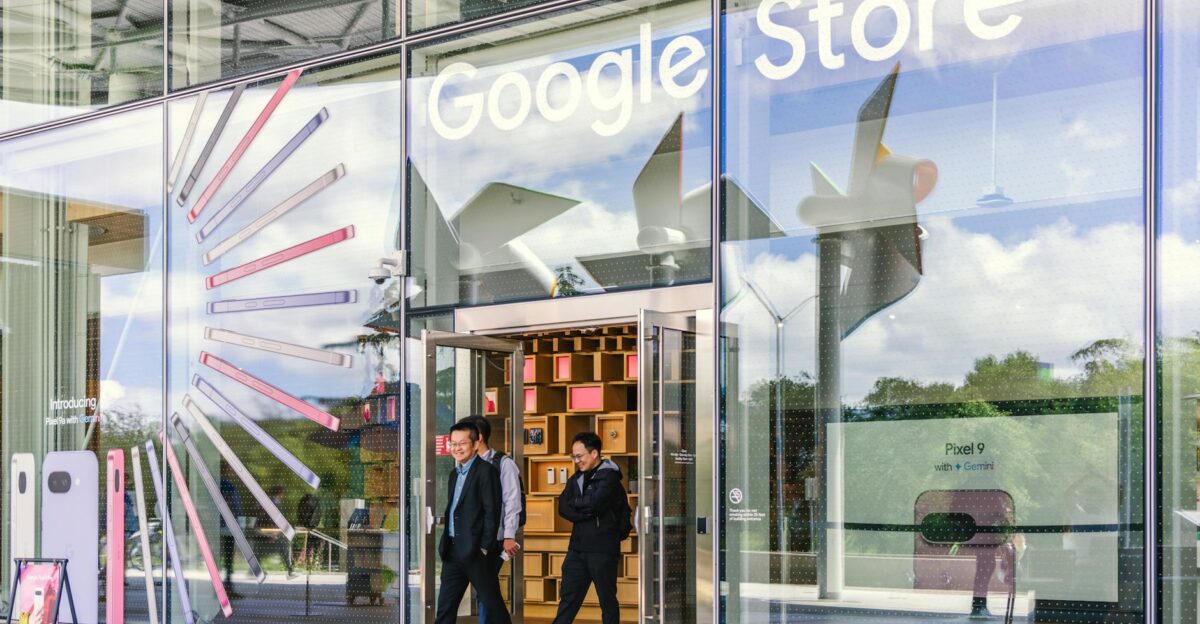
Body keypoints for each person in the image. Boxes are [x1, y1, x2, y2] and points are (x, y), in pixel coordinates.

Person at [435, 421, 510, 624]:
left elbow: (492, 512)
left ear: (476, 444)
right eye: (453, 443)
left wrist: (485, 547)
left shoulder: (486, 471)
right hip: (453, 551)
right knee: (445, 608)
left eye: (463, 443)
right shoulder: (453, 474)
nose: (457, 448)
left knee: (493, 606)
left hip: (477, 553)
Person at [553, 432, 628, 624]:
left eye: (580, 456)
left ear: (594, 453)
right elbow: (562, 506)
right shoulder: (577, 478)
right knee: (568, 599)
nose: (576, 461)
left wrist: (581, 506)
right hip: (577, 549)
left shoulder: (610, 477)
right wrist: (584, 513)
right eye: (574, 457)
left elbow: (595, 503)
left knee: (607, 600)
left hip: (602, 549)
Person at [462, 415, 523, 624]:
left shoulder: (503, 464)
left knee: (485, 588)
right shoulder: (465, 466)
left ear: (477, 438)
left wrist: (508, 536)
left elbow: (512, 502)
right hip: (473, 539)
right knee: (486, 589)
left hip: (495, 540)